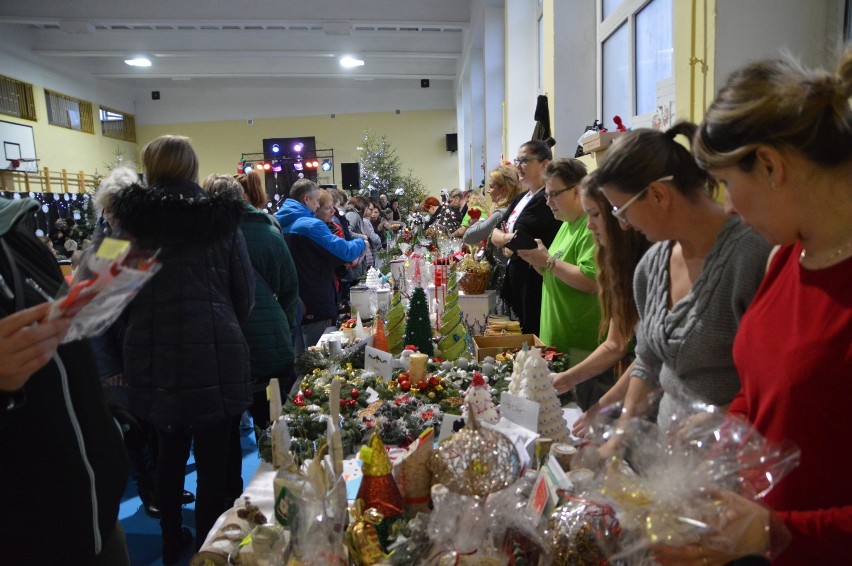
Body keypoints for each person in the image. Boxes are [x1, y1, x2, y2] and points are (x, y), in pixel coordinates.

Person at [653, 50, 852, 566]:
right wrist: (728, 424)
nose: (730, 207)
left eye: (725, 185)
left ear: (768, 165)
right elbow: (771, 390)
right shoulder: (786, 256)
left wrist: (774, 531)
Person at [110, 135, 255, 563]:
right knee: (214, 459)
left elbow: (107, 296)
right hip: (218, 351)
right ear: (192, 169)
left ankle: (173, 538)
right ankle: (213, 548)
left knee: (168, 455)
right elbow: (243, 296)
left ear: (151, 169)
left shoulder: (128, 224)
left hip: (155, 356)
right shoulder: (221, 220)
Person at [594, 123, 772, 433]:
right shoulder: (651, 267)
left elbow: (772, 382)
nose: (622, 224)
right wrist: (620, 435)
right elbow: (647, 361)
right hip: (673, 460)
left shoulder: (752, 257)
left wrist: (719, 419)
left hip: (732, 463)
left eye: (621, 210)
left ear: (659, 195)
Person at [1, 198, 131, 565]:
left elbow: (70, 343)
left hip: (95, 509)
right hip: (27, 536)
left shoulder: (16, 235)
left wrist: (110, 416)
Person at [549, 172, 652, 435]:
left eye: (595, 215)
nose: (588, 226)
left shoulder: (650, 264)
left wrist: (602, 407)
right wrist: (565, 379)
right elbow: (615, 343)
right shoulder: (619, 263)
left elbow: (650, 359)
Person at [203, 174, 299, 433]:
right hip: (272, 341)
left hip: (221, 347)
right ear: (242, 197)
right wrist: (283, 326)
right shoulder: (269, 232)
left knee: (223, 437)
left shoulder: (204, 238)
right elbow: (290, 287)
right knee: (275, 423)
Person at [516, 158, 604, 410]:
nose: (547, 202)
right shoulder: (566, 225)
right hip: (559, 343)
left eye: (554, 194)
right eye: (546, 195)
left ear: (577, 190)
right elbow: (557, 277)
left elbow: (591, 282)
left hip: (583, 349)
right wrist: (538, 262)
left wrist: (550, 263)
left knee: (583, 424)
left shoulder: (590, 228)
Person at [276, 179, 366, 355]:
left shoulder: (279, 222)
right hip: (316, 301)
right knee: (320, 360)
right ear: (306, 199)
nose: (317, 206)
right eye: (316, 201)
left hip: (294, 302)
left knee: (299, 359)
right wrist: (361, 243)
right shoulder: (310, 225)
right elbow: (344, 252)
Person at [490, 139, 563, 335]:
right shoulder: (521, 198)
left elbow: (521, 238)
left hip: (533, 281)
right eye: (517, 160)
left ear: (545, 164)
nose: (518, 166)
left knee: (532, 333)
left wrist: (506, 239)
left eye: (524, 161)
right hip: (517, 276)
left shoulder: (543, 199)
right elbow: (496, 233)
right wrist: (508, 238)